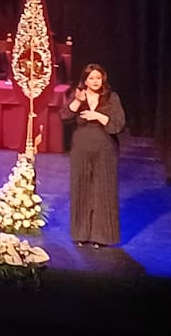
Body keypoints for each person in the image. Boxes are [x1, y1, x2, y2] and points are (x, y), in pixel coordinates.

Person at [62, 63, 126, 247]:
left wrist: (97, 116)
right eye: (91, 78)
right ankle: (80, 234)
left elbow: (119, 124)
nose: (95, 81)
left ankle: (102, 236)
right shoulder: (78, 96)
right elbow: (65, 116)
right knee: (81, 188)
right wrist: (76, 101)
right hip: (81, 148)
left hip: (104, 149)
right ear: (85, 80)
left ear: (103, 79)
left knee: (103, 190)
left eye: (98, 78)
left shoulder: (111, 98)